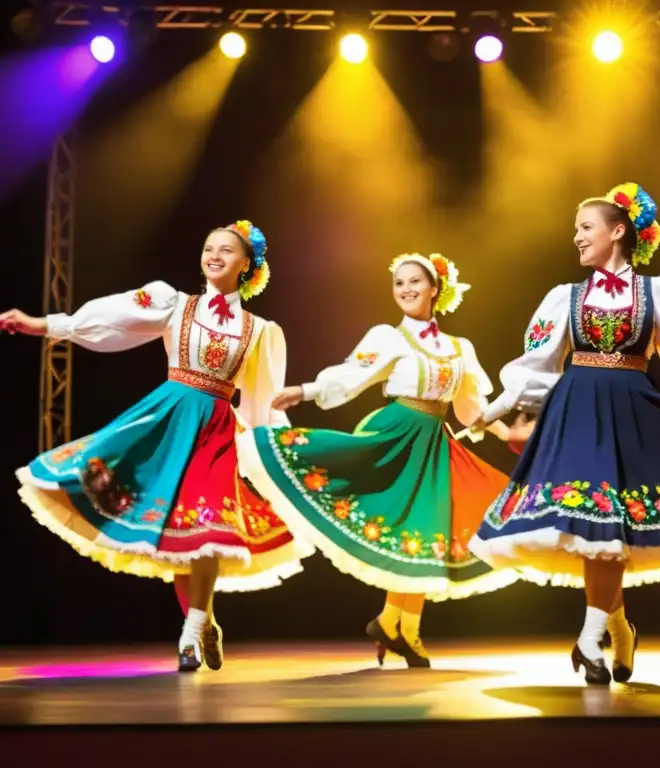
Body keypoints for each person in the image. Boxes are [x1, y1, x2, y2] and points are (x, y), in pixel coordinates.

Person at [468, 183, 660, 685]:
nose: (576, 238)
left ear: (618, 231)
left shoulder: (656, 290)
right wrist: (494, 411)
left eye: (585, 228)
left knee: (609, 530)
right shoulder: (564, 298)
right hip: (576, 414)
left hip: (630, 412)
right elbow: (535, 365)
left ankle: (595, 635)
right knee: (595, 524)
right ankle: (608, 631)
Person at [2, 220, 312, 672]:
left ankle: (190, 634)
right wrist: (43, 325)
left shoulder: (261, 331)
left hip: (217, 431)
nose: (215, 255)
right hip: (167, 420)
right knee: (178, 535)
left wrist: (279, 455)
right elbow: (108, 315)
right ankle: (201, 621)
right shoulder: (173, 303)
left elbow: (263, 403)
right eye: (209, 248)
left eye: (226, 250)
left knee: (209, 527)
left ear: (247, 265)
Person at [235, 253, 517, 668]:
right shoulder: (390, 337)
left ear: (435, 288)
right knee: (404, 525)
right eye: (399, 283)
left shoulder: (460, 349)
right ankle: (399, 627)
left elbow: (472, 409)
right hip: (397, 436)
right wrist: (306, 390)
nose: (405, 289)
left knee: (423, 536)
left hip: (434, 444)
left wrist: (507, 433)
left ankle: (397, 624)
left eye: (414, 282)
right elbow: (352, 375)